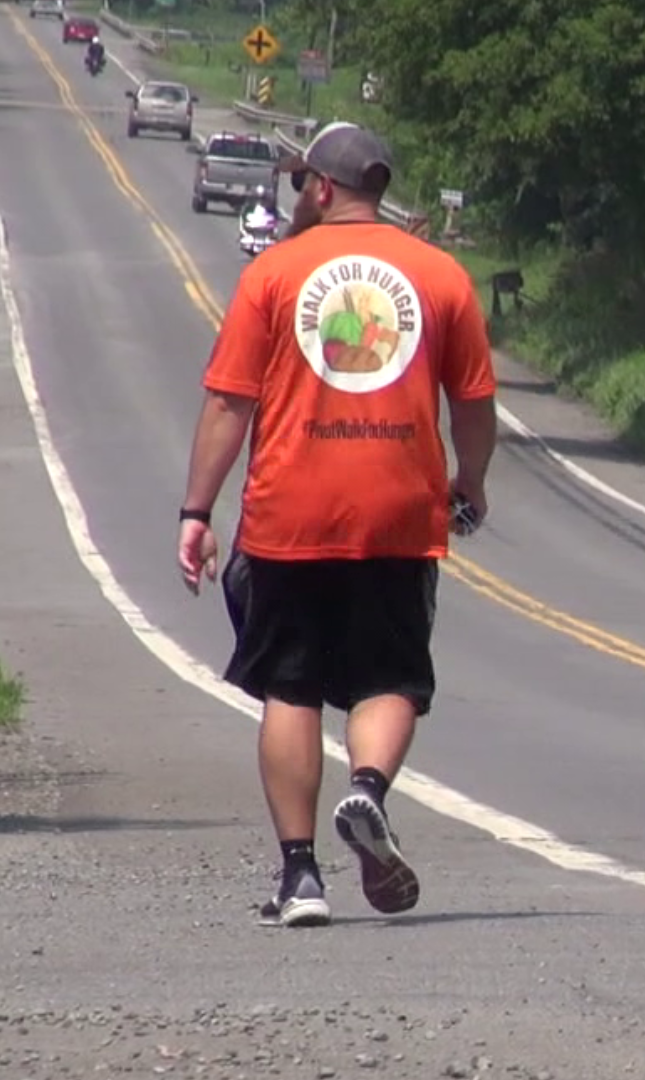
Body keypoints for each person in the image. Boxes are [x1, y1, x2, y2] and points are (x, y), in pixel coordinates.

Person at [176, 121, 499, 929]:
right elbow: (475, 404)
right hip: (398, 509)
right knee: (389, 677)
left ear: (320, 188)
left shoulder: (275, 274)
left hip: (290, 508)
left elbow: (229, 402)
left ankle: (300, 877)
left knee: (291, 684)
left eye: (300, 185)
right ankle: (368, 789)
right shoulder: (441, 276)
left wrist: (196, 510)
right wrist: (471, 484)